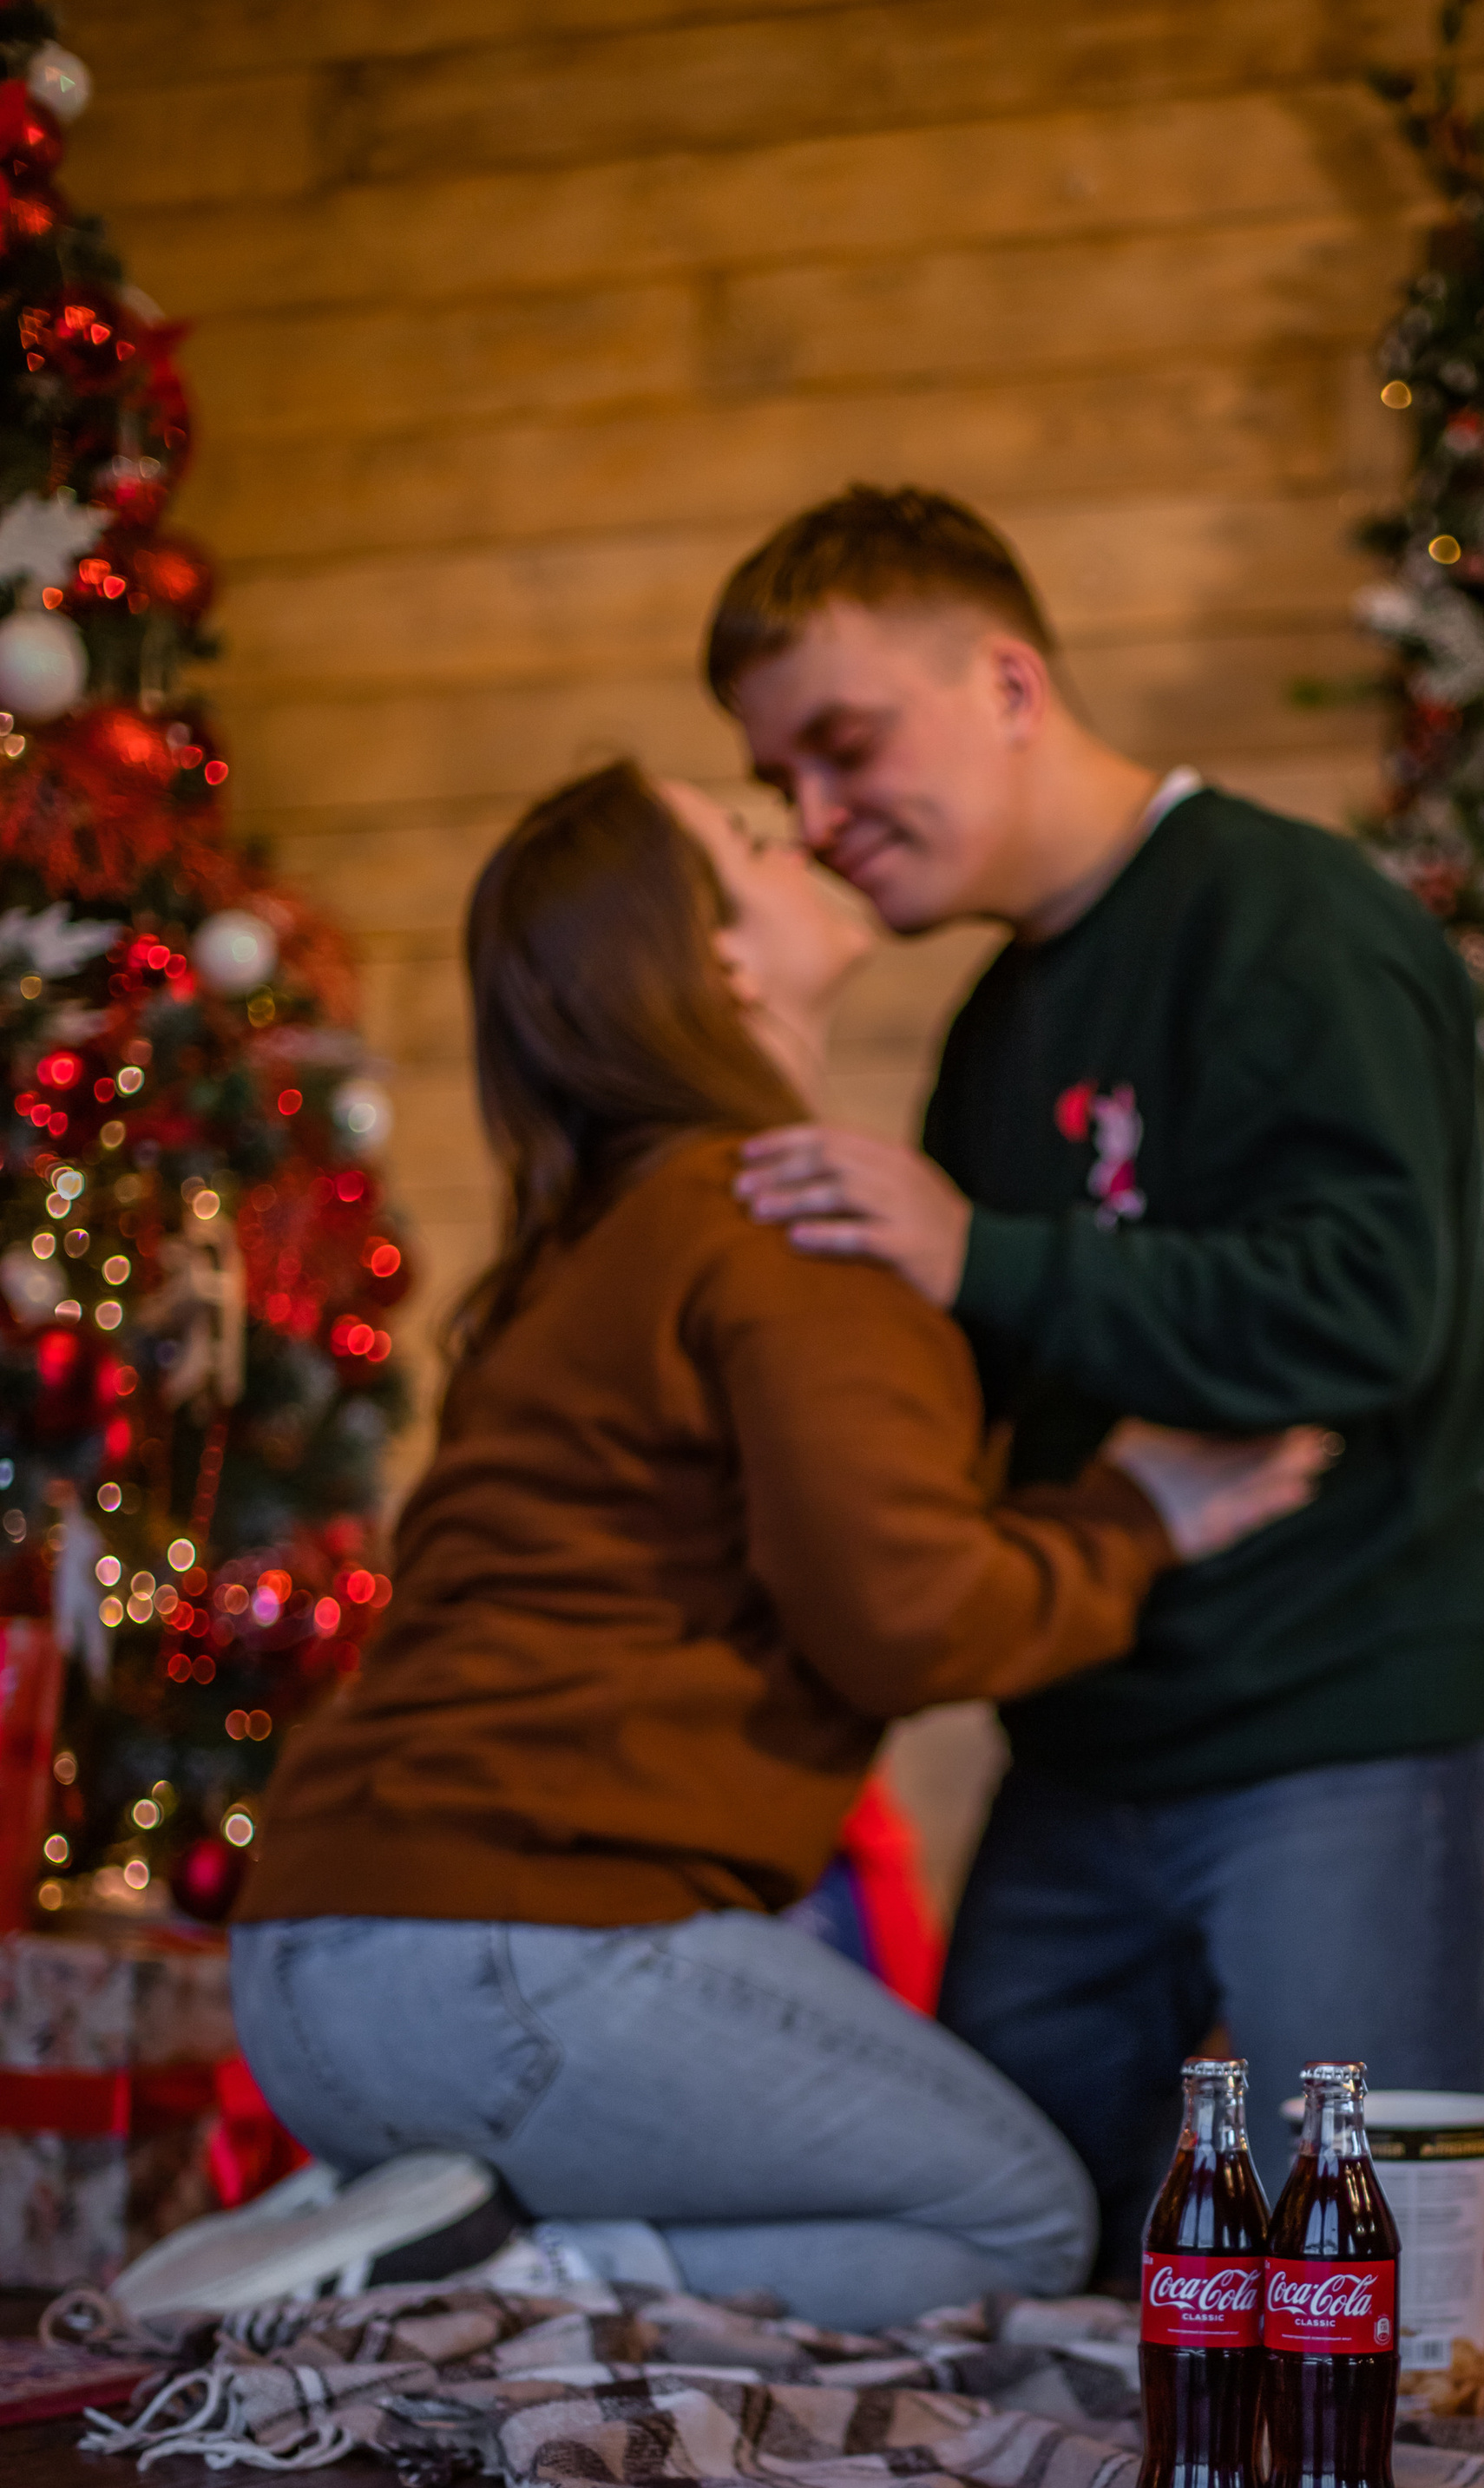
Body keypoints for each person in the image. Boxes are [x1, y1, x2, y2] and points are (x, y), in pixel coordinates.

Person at [227, 761, 1325, 2328]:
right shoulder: (788, 1224)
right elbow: (910, 1620)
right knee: (1013, 2213)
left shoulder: (593, 1242)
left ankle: (381, 2248)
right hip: (516, 1955)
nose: (808, 827)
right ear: (717, 963)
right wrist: (1138, 1514)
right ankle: (488, 2290)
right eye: (749, 840)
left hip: (314, 1965)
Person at [705, 485, 1484, 2276]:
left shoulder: (1287, 920)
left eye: (843, 750)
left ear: (1003, 678)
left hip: (1331, 1729)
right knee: (994, 2235)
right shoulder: (999, 1018)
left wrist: (979, 1253)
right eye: (783, 790)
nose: (820, 823)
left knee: (1374, 2273)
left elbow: (1370, 1310)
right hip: (1080, 1735)